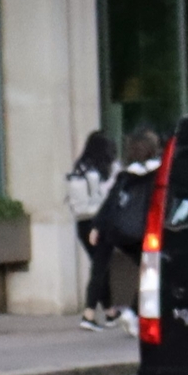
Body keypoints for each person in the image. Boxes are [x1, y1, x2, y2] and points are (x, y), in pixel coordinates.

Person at [92, 130, 163, 331]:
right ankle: (133, 313)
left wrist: (98, 225)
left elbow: (111, 202)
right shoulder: (157, 173)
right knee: (152, 272)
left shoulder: (125, 175)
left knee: (147, 271)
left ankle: (134, 313)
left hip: (122, 234)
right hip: (145, 232)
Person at [63, 132, 117, 328]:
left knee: (100, 266)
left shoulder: (80, 167)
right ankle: (89, 313)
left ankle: (110, 312)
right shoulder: (102, 170)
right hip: (99, 223)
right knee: (100, 268)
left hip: (82, 223)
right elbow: (108, 198)